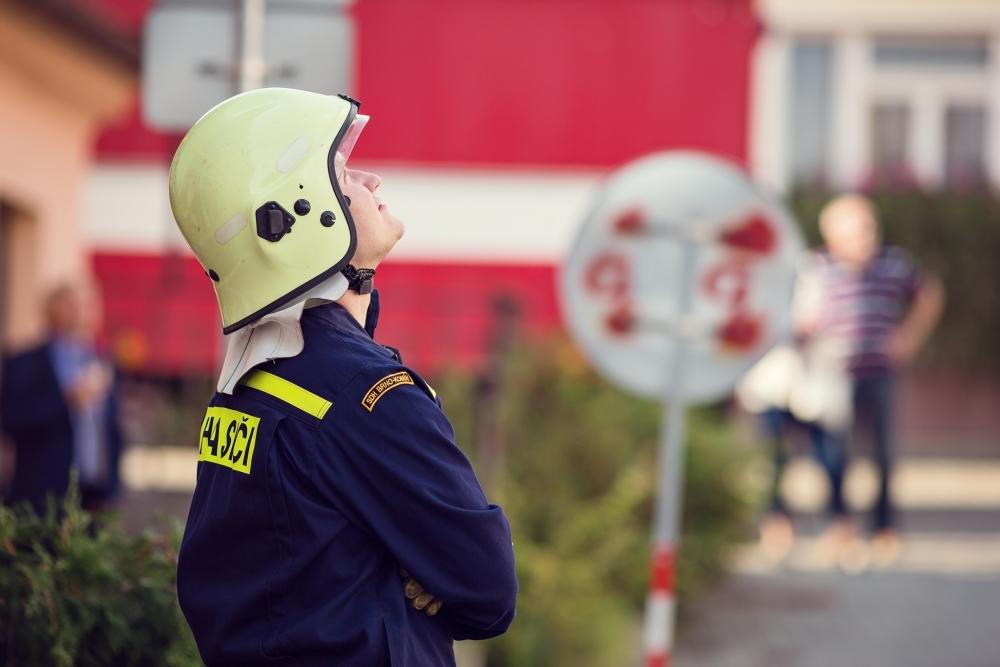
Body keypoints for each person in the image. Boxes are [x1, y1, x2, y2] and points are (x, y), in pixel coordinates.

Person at [169, 88, 517, 666]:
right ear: (295, 216)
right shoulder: (367, 395)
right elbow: (488, 590)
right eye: (342, 173)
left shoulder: (247, 383)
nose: (371, 180)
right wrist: (409, 569)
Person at [798, 194, 944, 564]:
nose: (865, 238)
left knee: (882, 452)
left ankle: (884, 528)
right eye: (855, 231)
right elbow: (802, 317)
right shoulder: (817, 267)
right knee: (834, 453)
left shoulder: (894, 264)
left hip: (880, 369)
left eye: (868, 229)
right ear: (833, 237)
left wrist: (909, 337)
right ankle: (838, 526)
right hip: (834, 373)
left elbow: (929, 294)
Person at [0, 280, 124, 513]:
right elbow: (12, 420)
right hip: (43, 495)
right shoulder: (24, 362)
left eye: (88, 303)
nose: (82, 310)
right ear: (51, 309)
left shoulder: (104, 361)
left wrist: (114, 487)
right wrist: (66, 401)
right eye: (72, 303)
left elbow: (113, 430)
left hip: (95, 494)